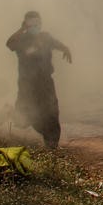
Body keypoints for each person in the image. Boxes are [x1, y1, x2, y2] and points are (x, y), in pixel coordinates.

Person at [5, 11, 73, 149]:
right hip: (27, 85)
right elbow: (9, 44)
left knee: (52, 114)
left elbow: (58, 44)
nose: (35, 26)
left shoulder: (46, 37)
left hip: (46, 84)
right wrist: (22, 29)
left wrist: (66, 49)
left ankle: (52, 147)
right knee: (24, 120)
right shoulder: (21, 40)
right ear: (26, 25)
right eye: (31, 24)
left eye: (37, 23)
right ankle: (9, 111)